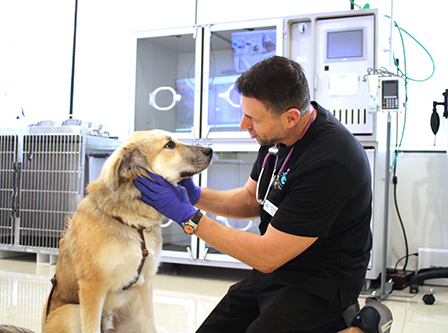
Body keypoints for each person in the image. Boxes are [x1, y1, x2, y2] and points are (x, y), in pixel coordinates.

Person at [134, 56, 391, 332]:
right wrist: (195, 196)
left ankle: (362, 326)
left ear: (291, 117)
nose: (244, 125)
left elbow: (268, 255)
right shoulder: (278, 135)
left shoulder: (331, 162)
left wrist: (190, 217)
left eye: (253, 118)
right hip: (276, 270)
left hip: (320, 282)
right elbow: (250, 199)